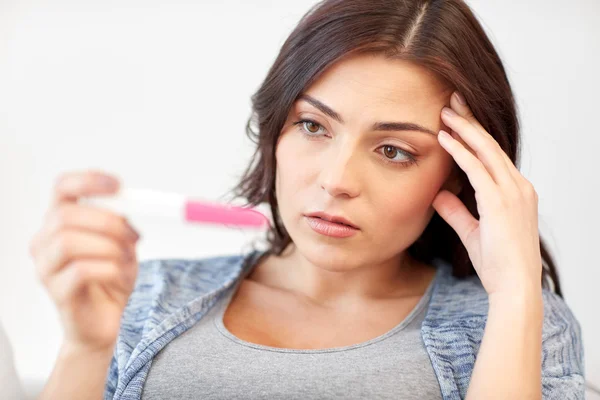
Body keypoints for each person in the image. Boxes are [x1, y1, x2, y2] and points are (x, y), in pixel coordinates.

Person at [29, 0, 585, 399]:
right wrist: (85, 348)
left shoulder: (516, 323)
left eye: (393, 150)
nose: (337, 179)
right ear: (275, 130)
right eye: (314, 127)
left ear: (464, 175)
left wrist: (514, 296)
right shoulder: (143, 297)